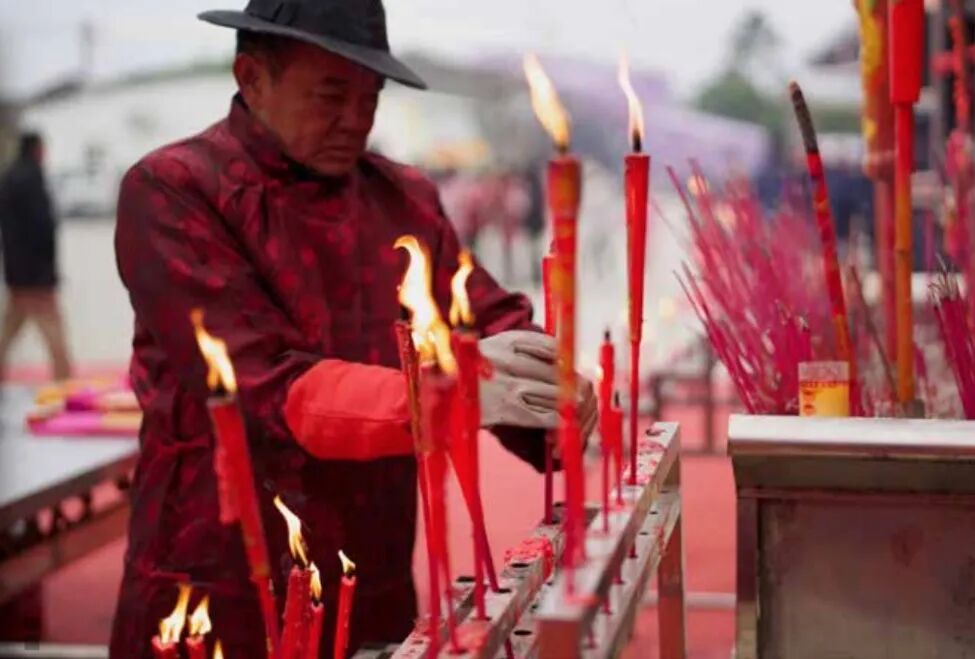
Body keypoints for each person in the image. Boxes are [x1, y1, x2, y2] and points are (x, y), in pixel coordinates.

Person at [109, 1, 597, 657]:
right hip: (219, 577)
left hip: (371, 575)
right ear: (252, 77)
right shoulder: (175, 190)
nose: (356, 121)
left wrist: (549, 389)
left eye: (369, 99)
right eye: (331, 96)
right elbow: (261, 384)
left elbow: (481, 314)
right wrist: (448, 393)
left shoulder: (403, 198)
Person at [0, 132, 72, 383]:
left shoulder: (9, 178)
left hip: (16, 271)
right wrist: (49, 272)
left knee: (9, 329)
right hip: (37, 274)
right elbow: (42, 227)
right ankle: (65, 382)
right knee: (54, 330)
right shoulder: (32, 178)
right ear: (37, 150)